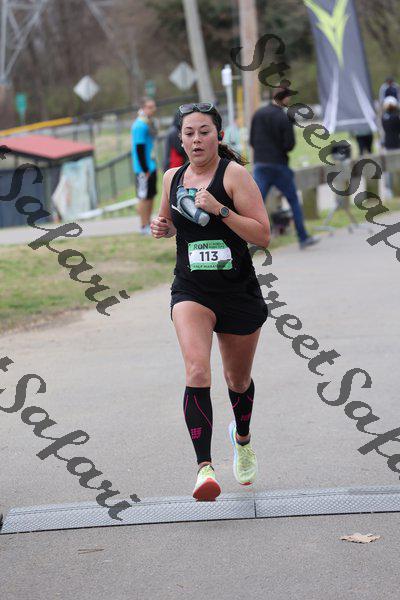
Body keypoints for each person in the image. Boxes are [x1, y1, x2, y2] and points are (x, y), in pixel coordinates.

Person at [150, 102, 270, 501]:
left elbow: (262, 234)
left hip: (237, 292)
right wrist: (161, 227)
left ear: (218, 135)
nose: (197, 139)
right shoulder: (171, 177)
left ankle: (243, 438)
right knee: (197, 370)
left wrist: (220, 210)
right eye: (189, 133)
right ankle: (204, 469)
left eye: (204, 132)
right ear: (180, 139)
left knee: (237, 381)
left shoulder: (234, 175)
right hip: (192, 290)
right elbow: (170, 224)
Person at [250, 87, 319, 249]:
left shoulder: (258, 114)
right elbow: (290, 145)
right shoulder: (285, 117)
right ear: (285, 98)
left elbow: (252, 140)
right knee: (293, 201)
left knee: (255, 203)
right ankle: (302, 237)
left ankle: (252, 241)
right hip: (279, 164)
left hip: (261, 164)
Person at [131, 97, 158, 235]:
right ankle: (143, 226)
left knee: (151, 196)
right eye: (150, 107)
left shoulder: (149, 122)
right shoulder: (139, 125)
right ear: (143, 108)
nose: (153, 109)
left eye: (154, 106)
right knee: (143, 197)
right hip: (143, 169)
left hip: (151, 166)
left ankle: (148, 222)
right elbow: (139, 148)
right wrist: (145, 168)